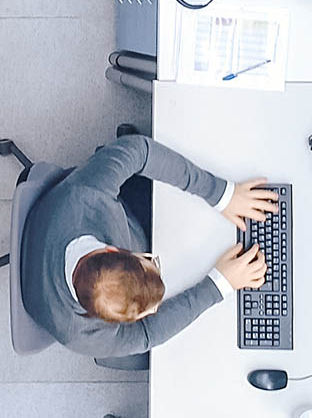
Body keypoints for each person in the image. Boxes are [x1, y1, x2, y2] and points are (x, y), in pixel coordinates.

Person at [22, 133, 276, 359]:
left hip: (66, 219)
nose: (155, 307)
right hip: (55, 238)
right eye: (145, 312)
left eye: (150, 262)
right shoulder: (80, 335)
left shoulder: (88, 195)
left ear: (113, 249)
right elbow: (145, 337)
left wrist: (221, 194)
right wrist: (218, 285)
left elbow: (139, 150)